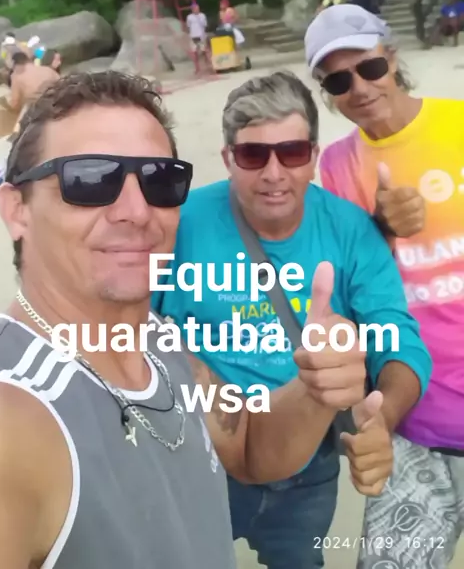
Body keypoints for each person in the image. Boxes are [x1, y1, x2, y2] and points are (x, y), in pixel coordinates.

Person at [0, 69, 377, 569]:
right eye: (89, 179)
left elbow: (249, 447)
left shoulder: (159, 341)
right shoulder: (4, 421)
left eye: (159, 180)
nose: (136, 210)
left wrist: (315, 386)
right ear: (16, 209)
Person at [152, 70, 432, 569]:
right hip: (198, 455)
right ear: (228, 159)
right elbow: (129, 323)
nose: (274, 173)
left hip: (307, 462)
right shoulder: (180, 224)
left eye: (293, 152)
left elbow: (397, 338)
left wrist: (380, 418)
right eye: (253, 155)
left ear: (314, 157)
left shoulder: (350, 230)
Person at [304, 3, 464, 569]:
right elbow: (353, 287)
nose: (360, 88)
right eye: (339, 81)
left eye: (370, 68)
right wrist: (381, 230)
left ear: (392, 58)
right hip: (411, 413)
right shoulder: (337, 166)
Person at [186, 3, 209, 73]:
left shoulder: (202, 15)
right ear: (192, 10)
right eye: (195, 9)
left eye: (198, 8)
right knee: (194, 52)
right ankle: (197, 68)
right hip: (193, 36)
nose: (197, 10)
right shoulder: (189, 17)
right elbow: (188, 26)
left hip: (201, 36)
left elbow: (205, 25)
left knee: (204, 51)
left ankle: (207, 65)